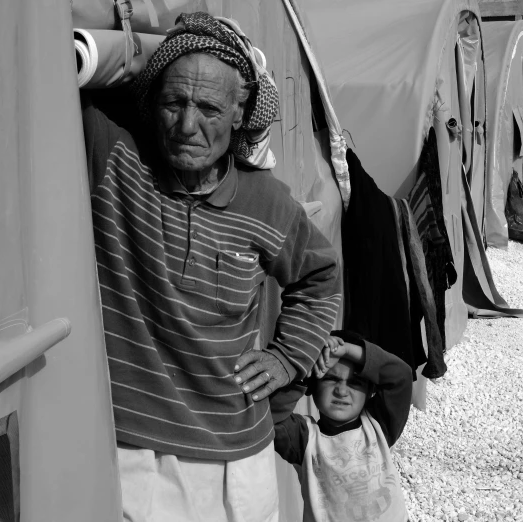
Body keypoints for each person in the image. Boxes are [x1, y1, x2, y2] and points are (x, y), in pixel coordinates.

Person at [81, 12, 341, 522]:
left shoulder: (268, 202)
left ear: (241, 113)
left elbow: (320, 276)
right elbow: (63, 58)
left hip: (236, 455)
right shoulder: (117, 159)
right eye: (173, 102)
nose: (187, 126)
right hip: (130, 451)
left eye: (209, 107)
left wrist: (288, 358)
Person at [271, 331, 413, 522]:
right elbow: (270, 416)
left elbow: (401, 376)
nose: (342, 391)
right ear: (312, 384)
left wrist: (345, 350)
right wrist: (306, 366)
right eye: (331, 379)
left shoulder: (379, 424)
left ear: (370, 390)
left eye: (355, 383)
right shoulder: (302, 437)